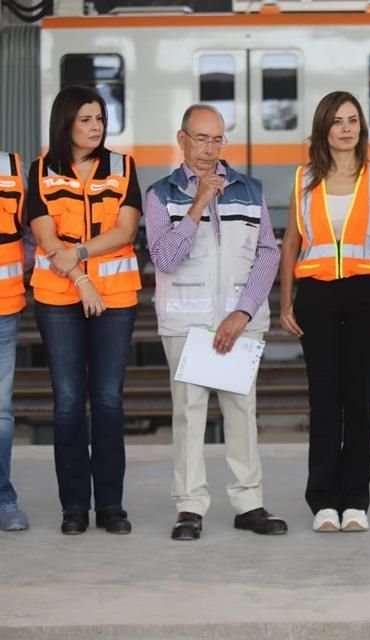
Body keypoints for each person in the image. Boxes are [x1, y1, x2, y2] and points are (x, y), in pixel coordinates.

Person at [145, 104, 286, 541]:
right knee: (188, 415)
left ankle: (249, 503)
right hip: (188, 325)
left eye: (217, 139)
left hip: (237, 325)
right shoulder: (160, 194)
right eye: (201, 138)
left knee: (242, 412)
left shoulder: (249, 189)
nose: (210, 148)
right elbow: (164, 257)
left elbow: (268, 252)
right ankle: (189, 507)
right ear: (181, 139)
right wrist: (198, 205)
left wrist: (242, 312)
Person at [279, 91, 370, 533]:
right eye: (337, 121)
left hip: (368, 295)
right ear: (323, 128)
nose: (346, 128)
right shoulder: (303, 179)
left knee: (359, 401)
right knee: (324, 401)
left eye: (353, 120)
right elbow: (292, 244)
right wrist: (285, 301)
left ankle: (355, 500)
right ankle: (323, 502)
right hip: (316, 297)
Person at [26, 85, 142, 535]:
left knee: (109, 401)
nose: (95, 127)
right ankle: (74, 507)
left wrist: (84, 255)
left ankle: (111, 506)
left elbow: (125, 230)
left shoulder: (123, 167)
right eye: (86, 120)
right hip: (59, 299)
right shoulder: (41, 171)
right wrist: (81, 278)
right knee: (69, 403)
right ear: (66, 123)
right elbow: (45, 239)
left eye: (99, 119)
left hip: (115, 299)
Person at [0, 149, 29, 532]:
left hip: (4, 308)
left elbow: (32, 232)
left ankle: (4, 499)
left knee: (1, 413)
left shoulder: (11, 168)